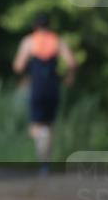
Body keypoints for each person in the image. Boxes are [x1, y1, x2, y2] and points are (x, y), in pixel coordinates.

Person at [12, 13, 77, 164]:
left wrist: (25, 76)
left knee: (35, 123)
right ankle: (46, 158)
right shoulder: (57, 41)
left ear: (35, 26)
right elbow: (72, 63)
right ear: (49, 25)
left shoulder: (29, 41)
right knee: (50, 123)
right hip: (53, 86)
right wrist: (70, 76)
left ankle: (41, 145)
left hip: (36, 86)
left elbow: (18, 66)